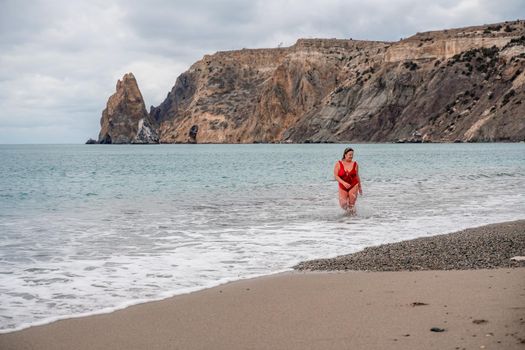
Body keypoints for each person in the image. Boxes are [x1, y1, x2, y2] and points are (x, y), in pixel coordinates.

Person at [334, 147, 362, 214]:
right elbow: (335, 176)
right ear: (345, 155)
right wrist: (344, 183)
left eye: (352, 154)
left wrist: (360, 187)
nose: (351, 156)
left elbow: (357, 176)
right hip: (343, 186)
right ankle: (347, 216)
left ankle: (352, 219)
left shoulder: (355, 164)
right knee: (343, 204)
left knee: (351, 205)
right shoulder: (338, 163)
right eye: (350, 154)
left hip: (353, 185)